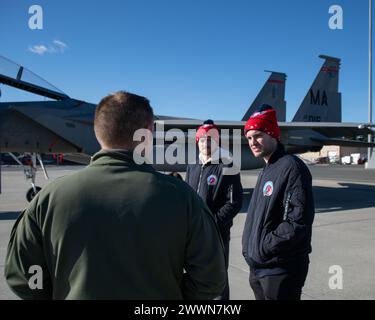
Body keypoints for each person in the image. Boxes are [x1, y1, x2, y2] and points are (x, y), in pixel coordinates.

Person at [5, 91, 226, 300]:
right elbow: (211, 279)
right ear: (148, 133)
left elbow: (24, 275)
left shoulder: (48, 199)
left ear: (96, 130)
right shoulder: (182, 198)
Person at [242, 104, 315, 300]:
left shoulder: (291, 167)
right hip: (260, 268)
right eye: (249, 137)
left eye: (258, 135)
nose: (252, 142)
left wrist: (264, 247)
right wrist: (250, 249)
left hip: (280, 269)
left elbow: (297, 221)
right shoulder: (267, 169)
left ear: (272, 134)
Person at [185, 120, 243, 300]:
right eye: (202, 139)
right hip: (193, 235)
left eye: (210, 139)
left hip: (216, 235)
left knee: (218, 280)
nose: (206, 143)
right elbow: (188, 197)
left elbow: (234, 202)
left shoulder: (227, 166)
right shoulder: (193, 166)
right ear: (197, 142)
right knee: (194, 278)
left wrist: (212, 224)